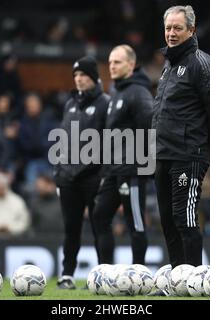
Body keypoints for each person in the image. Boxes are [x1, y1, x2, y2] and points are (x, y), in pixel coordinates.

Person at [152, 5, 210, 282]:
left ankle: (194, 280)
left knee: (184, 218)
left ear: (191, 30)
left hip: (188, 154)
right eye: (168, 28)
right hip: (162, 154)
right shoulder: (168, 65)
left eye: (177, 28)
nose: (171, 33)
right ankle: (177, 277)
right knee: (168, 221)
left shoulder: (200, 63)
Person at [92, 45, 154, 266]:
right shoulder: (116, 91)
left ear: (131, 64)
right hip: (113, 170)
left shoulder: (139, 93)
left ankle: (139, 271)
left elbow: (151, 128)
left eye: (117, 62)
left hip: (133, 170)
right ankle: (104, 271)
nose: (111, 66)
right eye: (109, 62)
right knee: (99, 216)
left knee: (135, 223)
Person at [54, 56, 110, 289]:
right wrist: (58, 172)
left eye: (83, 75)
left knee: (99, 226)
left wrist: (105, 173)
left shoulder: (105, 103)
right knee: (71, 227)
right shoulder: (70, 104)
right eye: (76, 76)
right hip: (69, 178)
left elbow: (110, 142)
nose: (78, 80)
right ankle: (67, 274)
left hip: (93, 176)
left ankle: (103, 275)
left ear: (94, 78)